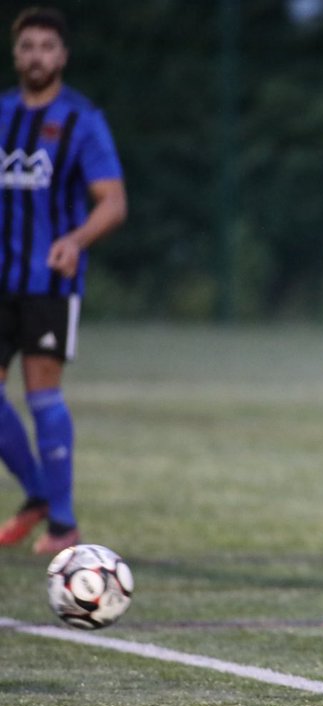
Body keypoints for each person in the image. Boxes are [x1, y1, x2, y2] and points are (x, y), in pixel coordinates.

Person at [0, 7, 126, 556]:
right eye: (27, 46)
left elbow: (113, 202)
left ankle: (63, 523)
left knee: (42, 394)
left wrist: (75, 240)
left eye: (47, 47)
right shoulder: (1, 113)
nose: (36, 56)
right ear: (15, 53)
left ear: (63, 56)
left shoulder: (81, 120)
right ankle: (38, 494)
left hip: (49, 280)